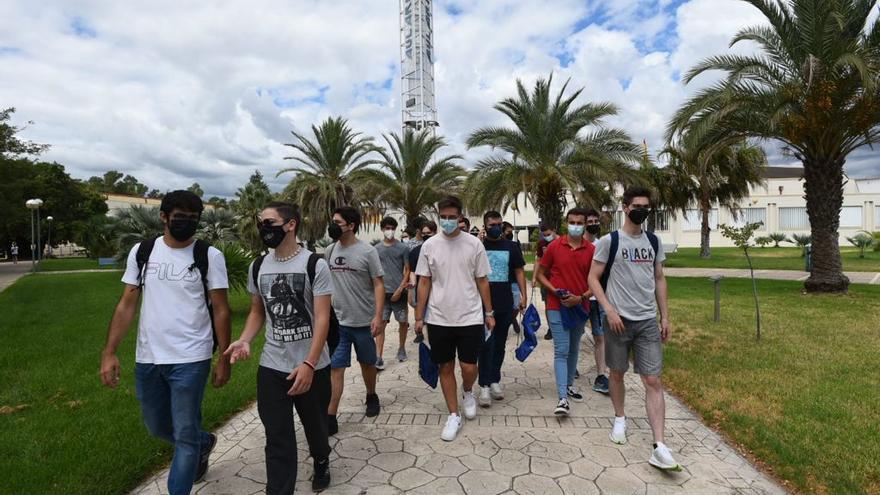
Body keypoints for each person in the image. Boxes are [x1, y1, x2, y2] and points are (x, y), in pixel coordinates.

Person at [100, 190, 231, 495]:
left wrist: (223, 358)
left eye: (192, 219)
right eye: (179, 217)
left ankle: (188, 460)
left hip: (191, 357)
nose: (186, 223)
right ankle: (203, 442)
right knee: (157, 426)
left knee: (183, 434)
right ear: (164, 217)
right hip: (148, 357)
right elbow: (126, 304)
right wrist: (109, 352)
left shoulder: (209, 255)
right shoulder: (142, 252)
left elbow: (222, 309)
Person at [225, 201, 332, 493]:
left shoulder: (314, 264)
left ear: (291, 224)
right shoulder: (258, 266)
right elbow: (258, 311)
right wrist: (245, 338)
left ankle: (321, 459)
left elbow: (322, 318)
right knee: (277, 436)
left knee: (316, 429)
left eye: (269, 222)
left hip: (313, 366)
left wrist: (309, 364)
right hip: (273, 366)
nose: (264, 228)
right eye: (261, 222)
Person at [587, 186, 680, 471]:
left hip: (647, 322)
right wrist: (609, 309)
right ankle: (619, 418)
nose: (642, 210)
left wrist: (664, 316)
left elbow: (660, 278)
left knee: (652, 380)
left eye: (646, 206)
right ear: (625, 207)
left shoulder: (653, 241)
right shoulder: (609, 241)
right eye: (636, 205)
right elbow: (592, 278)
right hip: (617, 321)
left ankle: (659, 445)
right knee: (616, 373)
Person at [415, 196, 494, 441]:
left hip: (470, 316)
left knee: (469, 367)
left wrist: (489, 312)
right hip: (439, 317)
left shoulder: (474, 245)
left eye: (452, 217)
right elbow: (424, 282)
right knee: (445, 366)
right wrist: (419, 316)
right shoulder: (429, 246)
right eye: (444, 217)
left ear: (460, 217)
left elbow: (482, 280)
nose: (447, 222)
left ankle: (468, 390)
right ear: (439, 217)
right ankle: (453, 414)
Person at [325, 206, 384, 433]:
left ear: (351, 225)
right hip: (339, 323)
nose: (333, 226)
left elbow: (378, 284)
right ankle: (330, 416)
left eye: (338, 222)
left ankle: (371, 395)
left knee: (367, 364)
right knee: (336, 368)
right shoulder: (330, 250)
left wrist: (378, 316)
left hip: (364, 322)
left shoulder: (368, 252)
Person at [535, 208, 594, 416]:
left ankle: (569, 385)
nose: (575, 225)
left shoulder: (591, 250)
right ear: (565, 222)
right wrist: (554, 291)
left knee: (574, 347)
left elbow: (596, 281)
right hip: (556, 306)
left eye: (579, 222)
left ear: (585, 224)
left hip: (580, 306)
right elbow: (541, 274)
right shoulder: (554, 247)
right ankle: (562, 398)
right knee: (562, 349)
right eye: (572, 222)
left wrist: (582, 297)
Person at [477, 211, 526, 407]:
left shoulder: (511, 247)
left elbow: (519, 271)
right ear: (485, 226)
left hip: (505, 303)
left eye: (499, 223)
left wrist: (523, 296)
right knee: (485, 345)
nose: (496, 227)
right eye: (492, 224)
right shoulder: (478, 246)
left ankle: (495, 379)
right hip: (482, 305)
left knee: (499, 345)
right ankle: (483, 385)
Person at [375, 216, 411, 365]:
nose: (389, 231)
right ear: (382, 229)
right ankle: (378, 356)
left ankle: (402, 348)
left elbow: (408, 270)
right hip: (383, 294)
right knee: (381, 324)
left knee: (403, 322)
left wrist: (401, 288)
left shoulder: (403, 248)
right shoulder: (376, 249)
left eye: (392, 228)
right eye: (387, 228)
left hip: (399, 293)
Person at [584, 209, 610, 395]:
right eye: (589, 221)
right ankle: (571, 368)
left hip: (599, 298)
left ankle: (601, 374)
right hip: (580, 298)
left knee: (600, 336)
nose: (593, 224)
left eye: (595, 220)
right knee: (575, 336)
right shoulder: (578, 244)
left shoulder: (604, 244)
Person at [407, 220, 437, 343]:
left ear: (435, 232)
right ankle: (420, 333)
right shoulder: (415, 251)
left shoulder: (442, 249)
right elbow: (413, 271)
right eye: (423, 233)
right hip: (423, 288)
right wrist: (412, 286)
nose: (426, 236)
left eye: (428, 233)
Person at [532, 223, 557, 340]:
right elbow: (538, 261)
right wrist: (534, 277)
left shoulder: (562, 242)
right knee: (548, 304)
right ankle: (551, 328)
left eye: (549, 234)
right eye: (544, 235)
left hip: (559, 278)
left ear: (554, 230)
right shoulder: (542, 244)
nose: (547, 237)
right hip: (546, 279)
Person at [502, 221, 523, 335]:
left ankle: (511, 318)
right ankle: (508, 320)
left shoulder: (515, 245)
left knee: (516, 304)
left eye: (511, 231)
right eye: (508, 231)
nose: (510, 233)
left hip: (514, 280)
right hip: (503, 281)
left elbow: (520, 266)